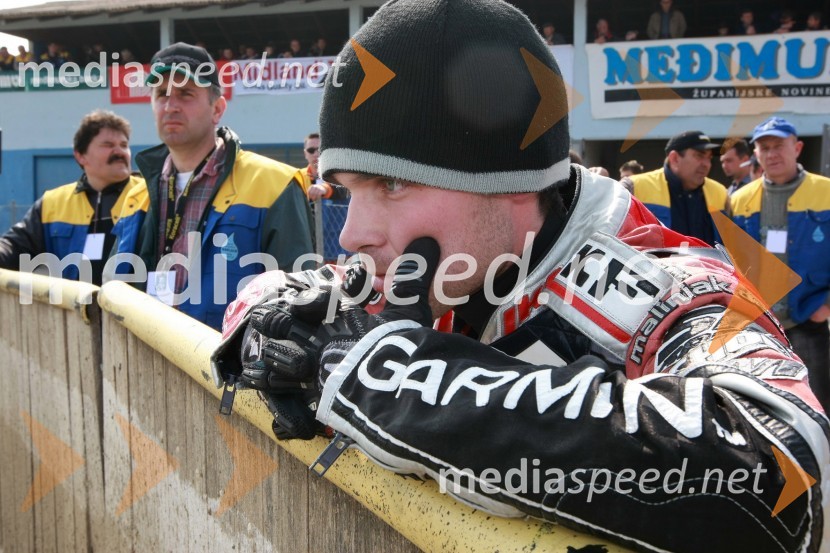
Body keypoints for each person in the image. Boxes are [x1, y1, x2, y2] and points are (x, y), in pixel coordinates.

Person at [211, 2, 828, 552]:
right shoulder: (425, 260)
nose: (352, 233)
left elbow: (782, 475)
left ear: (506, 180)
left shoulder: (673, 283)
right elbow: (271, 299)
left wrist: (389, 384)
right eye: (348, 189)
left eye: (391, 184)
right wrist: (276, 327)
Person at [111, 42, 313, 330]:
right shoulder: (135, 196)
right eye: (161, 94)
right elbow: (115, 290)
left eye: (186, 94)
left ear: (217, 108)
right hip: (146, 362)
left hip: (227, 368)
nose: (170, 106)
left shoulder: (275, 184)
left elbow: (300, 300)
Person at [731, 116, 830, 414]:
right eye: (764, 147)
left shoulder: (825, 191)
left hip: (807, 319)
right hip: (760, 324)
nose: (772, 153)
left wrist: (825, 305)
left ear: (797, 148)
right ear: (756, 155)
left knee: (817, 403)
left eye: (779, 146)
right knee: (766, 404)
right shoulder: (739, 199)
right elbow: (731, 259)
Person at [0, 110, 142, 285]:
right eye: (108, 145)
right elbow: (14, 247)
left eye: (124, 145)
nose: (120, 151)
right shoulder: (52, 203)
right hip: (73, 310)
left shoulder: (147, 196)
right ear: (80, 156)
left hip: (130, 310)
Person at [624, 131, 727, 246]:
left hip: (707, 264)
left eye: (709, 158)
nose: (707, 164)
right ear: (674, 158)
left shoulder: (720, 192)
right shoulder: (633, 186)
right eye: (699, 156)